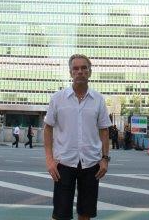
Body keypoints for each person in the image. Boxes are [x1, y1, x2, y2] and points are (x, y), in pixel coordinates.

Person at [44, 53, 112, 220]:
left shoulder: (98, 100)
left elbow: (104, 130)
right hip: (64, 163)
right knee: (61, 214)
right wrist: (49, 160)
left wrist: (104, 159)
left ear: (90, 72)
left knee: (86, 212)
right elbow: (48, 128)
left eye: (84, 68)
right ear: (70, 73)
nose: (80, 71)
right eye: (76, 68)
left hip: (91, 163)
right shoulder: (58, 98)